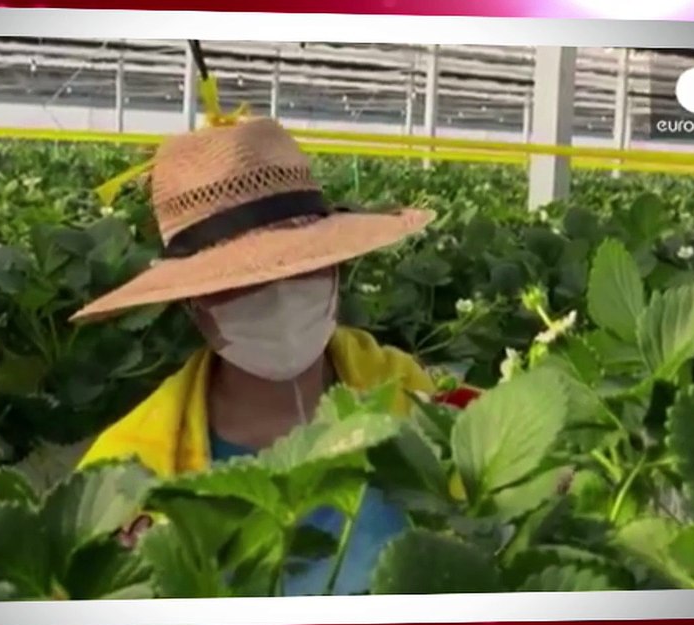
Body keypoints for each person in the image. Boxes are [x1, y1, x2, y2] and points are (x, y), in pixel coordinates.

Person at [70, 117, 438, 596]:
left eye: (302, 265)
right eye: (240, 282)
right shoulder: (124, 475)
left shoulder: (410, 393)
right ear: (192, 301)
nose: (280, 294)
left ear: (336, 267)